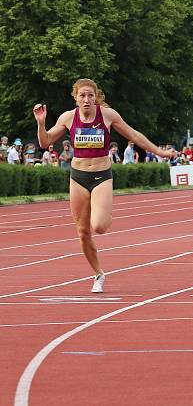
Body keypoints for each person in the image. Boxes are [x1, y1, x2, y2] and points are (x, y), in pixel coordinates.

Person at [33, 78, 175, 292]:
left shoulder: (108, 115)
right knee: (82, 233)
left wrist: (160, 152)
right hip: (78, 177)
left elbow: (134, 135)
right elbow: (45, 143)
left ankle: (105, 209)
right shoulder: (68, 118)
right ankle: (98, 274)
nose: (87, 99)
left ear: (96, 97)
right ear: (76, 98)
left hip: (101, 176)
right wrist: (41, 123)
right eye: (82, 95)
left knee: (99, 226)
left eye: (90, 95)